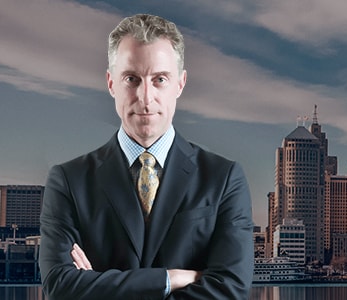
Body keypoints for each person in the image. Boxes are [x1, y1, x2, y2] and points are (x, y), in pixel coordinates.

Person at [39, 14, 253, 299]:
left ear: (180, 84)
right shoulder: (68, 181)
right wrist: (170, 278)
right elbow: (60, 287)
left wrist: (96, 286)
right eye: (132, 79)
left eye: (160, 79)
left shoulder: (224, 178)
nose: (145, 97)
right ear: (111, 83)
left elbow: (231, 289)